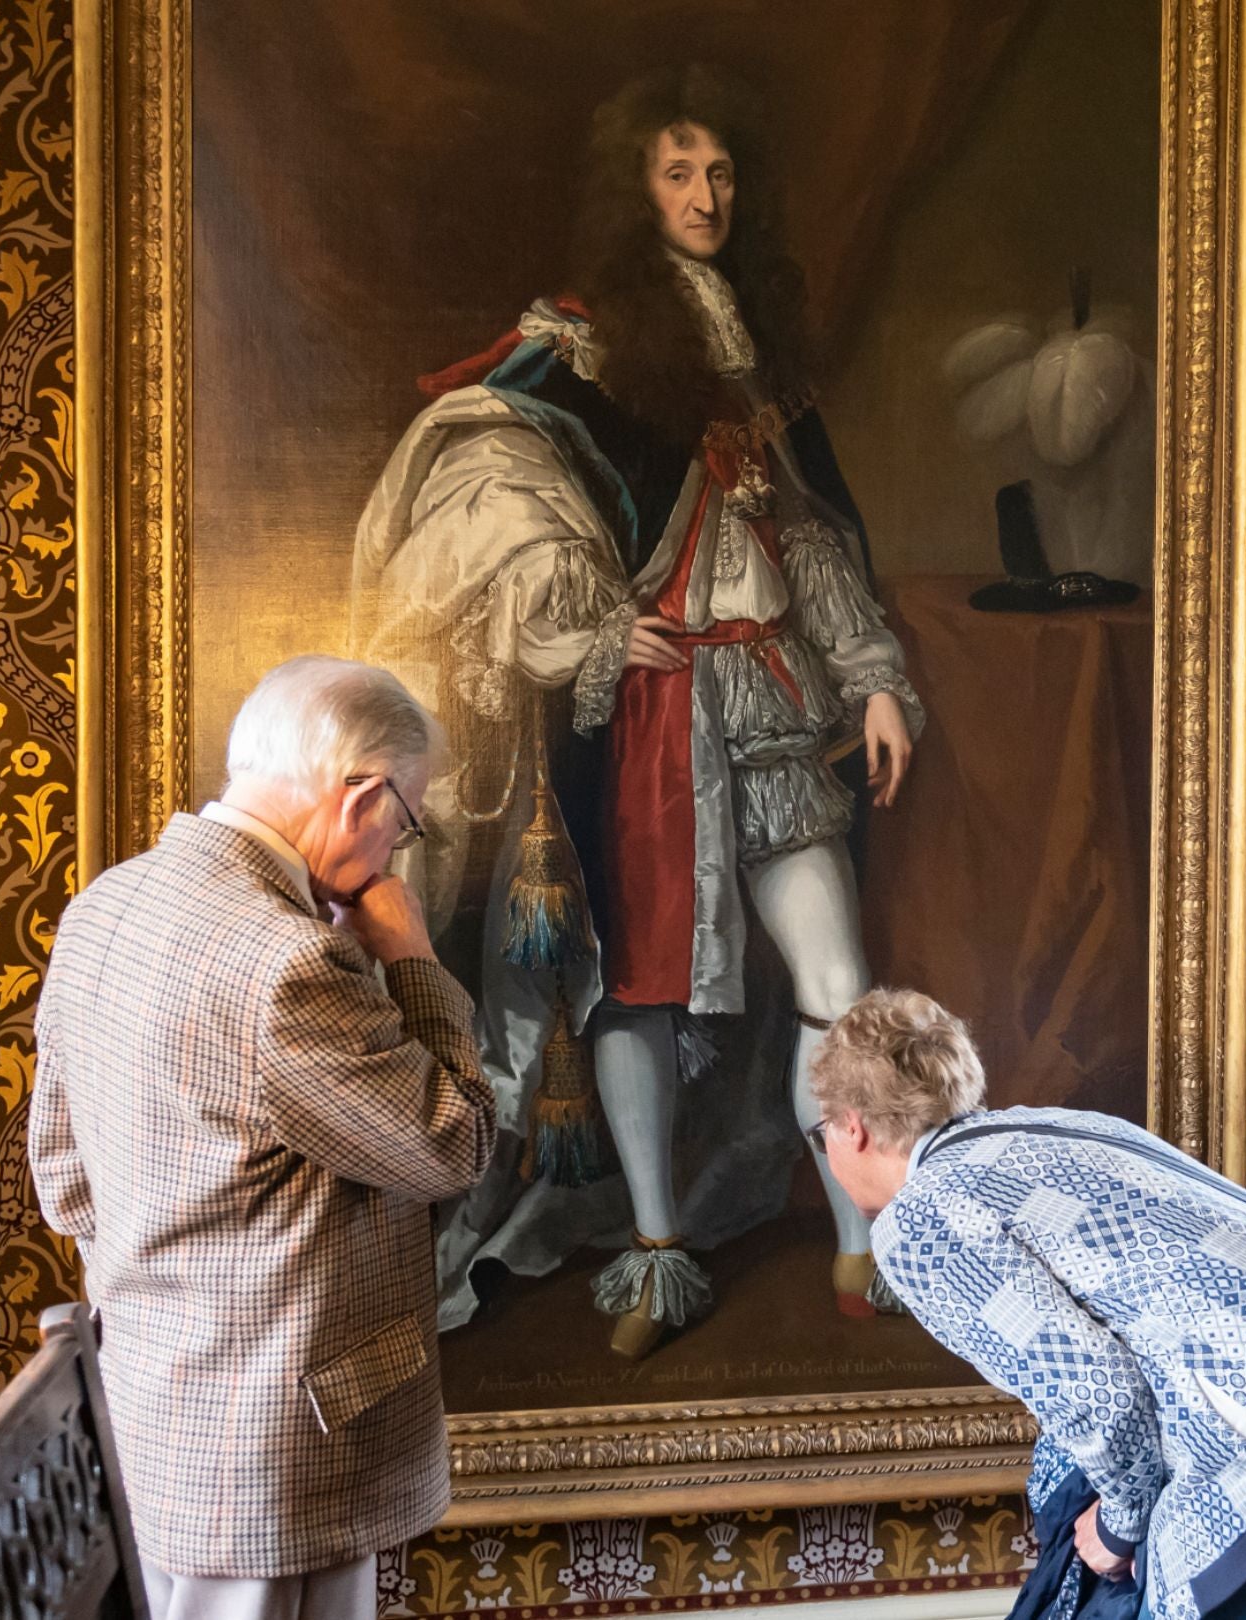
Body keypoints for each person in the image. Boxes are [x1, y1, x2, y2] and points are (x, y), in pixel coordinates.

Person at [354, 62, 921, 1356]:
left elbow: (818, 544)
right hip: (659, 714)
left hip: (774, 701)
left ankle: (857, 1243)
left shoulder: (764, 346)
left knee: (838, 982)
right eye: (678, 173)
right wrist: (595, 623)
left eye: (719, 173)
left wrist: (877, 675)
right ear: (637, 190)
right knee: (640, 992)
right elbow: (478, 458)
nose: (704, 195)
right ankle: (658, 1255)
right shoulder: (583, 338)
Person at [806, 989, 1246, 1620]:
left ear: (853, 1126)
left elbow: (1097, 1392)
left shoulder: (922, 1219)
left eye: (823, 1131)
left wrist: (1120, 1530)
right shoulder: (1044, 1131)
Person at [27, 655, 496, 1620]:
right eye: (405, 823)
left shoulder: (102, 907)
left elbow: (64, 1177)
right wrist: (411, 958)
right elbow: (454, 1141)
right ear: (360, 794)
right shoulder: (289, 961)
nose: (395, 858)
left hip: (152, 1408)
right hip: (278, 1443)